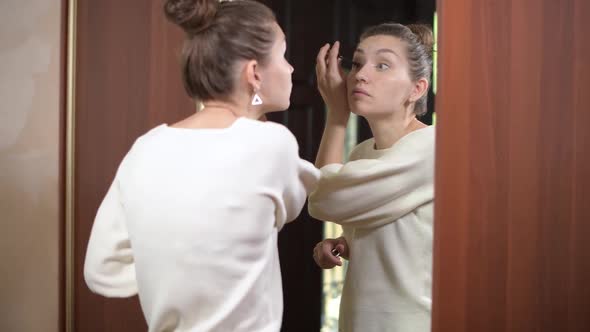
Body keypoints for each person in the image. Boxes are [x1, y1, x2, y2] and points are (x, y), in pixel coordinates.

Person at [83, 1, 319, 331]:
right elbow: (300, 201)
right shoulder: (272, 144)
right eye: (283, 54)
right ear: (254, 73)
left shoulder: (146, 147)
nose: (292, 68)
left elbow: (102, 270)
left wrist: (170, 270)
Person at [308, 23, 436, 332]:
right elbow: (393, 233)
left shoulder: (431, 148)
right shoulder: (363, 154)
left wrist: (337, 116)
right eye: (357, 63)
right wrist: (344, 243)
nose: (361, 75)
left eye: (382, 65)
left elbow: (322, 198)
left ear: (416, 89)